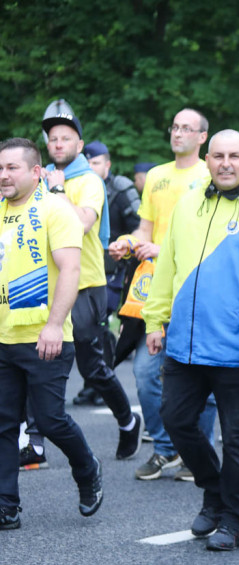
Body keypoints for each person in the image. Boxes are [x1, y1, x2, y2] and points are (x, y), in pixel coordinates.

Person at [142, 129, 239, 551]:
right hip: (185, 345)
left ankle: (234, 519)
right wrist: (154, 320)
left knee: (238, 438)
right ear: (206, 159)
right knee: (175, 420)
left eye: (235, 156)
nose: (225, 163)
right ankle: (214, 490)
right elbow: (168, 264)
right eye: (218, 156)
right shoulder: (188, 202)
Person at [109, 107, 217, 483]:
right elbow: (145, 231)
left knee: (200, 375)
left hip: (198, 288)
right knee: (144, 371)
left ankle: (196, 451)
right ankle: (166, 448)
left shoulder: (211, 174)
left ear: (203, 137)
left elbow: (212, 235)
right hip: (156, 289)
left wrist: (164, 247)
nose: (178, 133)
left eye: (187, 128)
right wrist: (128, 243)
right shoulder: (155, 176)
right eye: (174, 126)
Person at [1, 137, 104, 529]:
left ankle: (87, 469)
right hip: (4, 336)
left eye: (12, 168)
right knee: (4, 423)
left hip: (45, 336)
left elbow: (71, 271)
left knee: (50, 419)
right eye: (0, 168)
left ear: (35, 171)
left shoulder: (54, 209)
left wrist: (54, 325)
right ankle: (6, 505)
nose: (4, 175)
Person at [39, 105, 140, 463]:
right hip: (44, 284)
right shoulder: (41, 177)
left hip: (86, 282)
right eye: (53, 138)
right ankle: (33, 440)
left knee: (92, 367)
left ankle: (128, 421)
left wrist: (58, 189)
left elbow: (81, 223)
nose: (58, 143)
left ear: (79, 144)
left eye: (66, 138)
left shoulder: (88, 181)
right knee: (37, 357)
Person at [83, 141, 140, 404]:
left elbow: (140, 227)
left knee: (101, 324)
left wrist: (124, 247)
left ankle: (103, 384)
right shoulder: (81, 188)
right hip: (86, 268)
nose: (91, 167)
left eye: (96, 163)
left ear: (107, 165)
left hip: (116, 269)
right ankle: (91, 383)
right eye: (88, 163)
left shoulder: (122, 188)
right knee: (86, 328)